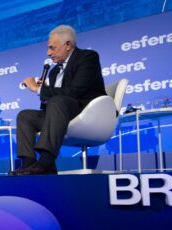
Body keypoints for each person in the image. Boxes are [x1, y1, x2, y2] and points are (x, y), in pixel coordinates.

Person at [11, 25, 106, 176]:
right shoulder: (55, 71)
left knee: (58, 101)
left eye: (52, 48)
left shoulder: (87, 57)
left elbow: (75, 92)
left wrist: (38, 89)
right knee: (25, 116)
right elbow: (52, 103)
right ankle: (28, 164)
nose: (48, 53)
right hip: (61, 114)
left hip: (86, 113)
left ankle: (46, 162)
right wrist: (46, 90)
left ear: (68, 45)